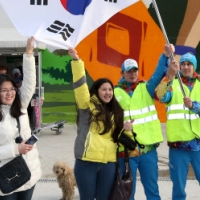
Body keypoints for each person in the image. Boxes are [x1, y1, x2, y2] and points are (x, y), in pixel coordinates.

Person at [0, 37, 41, 200]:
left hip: (29, 171)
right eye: (3, 90)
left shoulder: (20, 106)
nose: (9, 93)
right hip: (5, 177)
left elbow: (29, 83)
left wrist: (28, 53)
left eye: (12, 89)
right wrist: (15, 150)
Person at [68, 48, 132, 200]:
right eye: (104, 89)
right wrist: (77, 61)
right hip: (86, 163)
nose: (108, 92)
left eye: (110, 89)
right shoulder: (86, 105)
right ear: (96, 91)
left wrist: (127, 131)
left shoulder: (117, 111)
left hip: (109, 164)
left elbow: (121, 140)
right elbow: (80, 85)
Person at [114, 44, 175, 200]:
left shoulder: (146, 87)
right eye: (129, 71)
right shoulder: (114, 92)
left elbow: (157, 74)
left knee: (152, 190)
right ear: (122, 73)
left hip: (148, 150)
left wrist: (165, 56)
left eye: (135, 70)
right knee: (128, 192)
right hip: (127, 151)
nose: (132, 74)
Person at [155, 52, 200, 200]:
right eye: (184, 64)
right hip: (178, 146)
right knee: (179, 187)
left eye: (189, 64)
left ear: (194, 66)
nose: (186, 67)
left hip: (198, 145)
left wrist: (194, 106)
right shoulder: (172, 83)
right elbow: (160, 96)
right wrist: (170, 76)